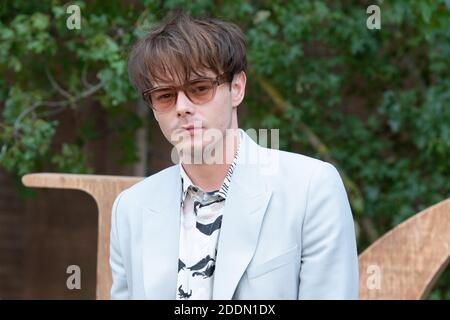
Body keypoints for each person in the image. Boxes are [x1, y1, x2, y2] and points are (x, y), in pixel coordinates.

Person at [109, 10, 359, 300]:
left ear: (237, 88)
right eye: (165, 95)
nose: (182, 107)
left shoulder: (311, 188)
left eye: (199, 89)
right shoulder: (130, 209)